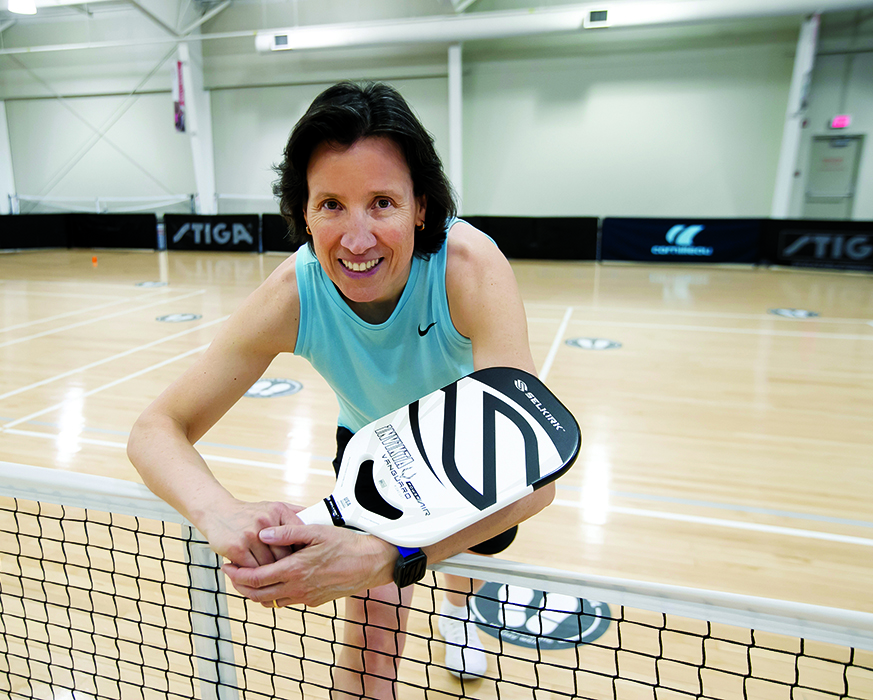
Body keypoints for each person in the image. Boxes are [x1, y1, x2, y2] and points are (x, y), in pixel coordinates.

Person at [127, 80, 556, 699]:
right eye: (331, 204)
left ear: (421, 207)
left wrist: (395, 554)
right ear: (304, 212)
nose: (357, 240)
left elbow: (534, 479)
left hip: (468, 446)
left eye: (382, 203)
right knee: (371, 633)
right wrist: (219, 510)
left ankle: (458, 610)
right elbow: (155, 428)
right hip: (373, 442)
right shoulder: (293, 294)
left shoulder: (470, 271)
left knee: (461, 552)